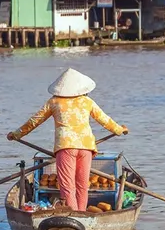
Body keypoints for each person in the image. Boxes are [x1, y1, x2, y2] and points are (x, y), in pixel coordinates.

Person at [7, 68, 128, 213]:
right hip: (86, 146)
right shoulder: (87, 102)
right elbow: (105, 120)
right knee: (83, 184)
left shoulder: (54, 102)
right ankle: (81, 214)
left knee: (67, 185)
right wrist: (120, 130)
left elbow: (34, 121)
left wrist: (16, 134)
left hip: (66, 147)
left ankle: (73, 214)